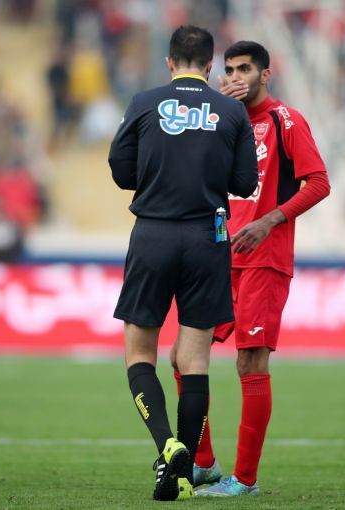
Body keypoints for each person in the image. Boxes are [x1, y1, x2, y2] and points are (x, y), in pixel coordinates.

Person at [169, 41, 331, 497]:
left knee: (250, 361)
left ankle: (245, 479)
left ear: (265, 74)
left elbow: (319, 182)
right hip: (219, 256)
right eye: (230, 69)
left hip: (264, 257)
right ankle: (203, 464)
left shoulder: (286, 121)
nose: (237, 76)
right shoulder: (223, 120)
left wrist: (269, 220)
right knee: (182, 356)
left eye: (245, 69)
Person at [108, 26, 258, 501]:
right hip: (207, 238)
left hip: (152, 233)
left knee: (139, 354)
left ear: (170, 63)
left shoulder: (143, 102)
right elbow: (245, 182)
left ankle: (166, 445)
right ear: (211, 66)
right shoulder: (232, 111)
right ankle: (185, 472)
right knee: (194, 361)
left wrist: (158, 173)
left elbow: (119, 168)